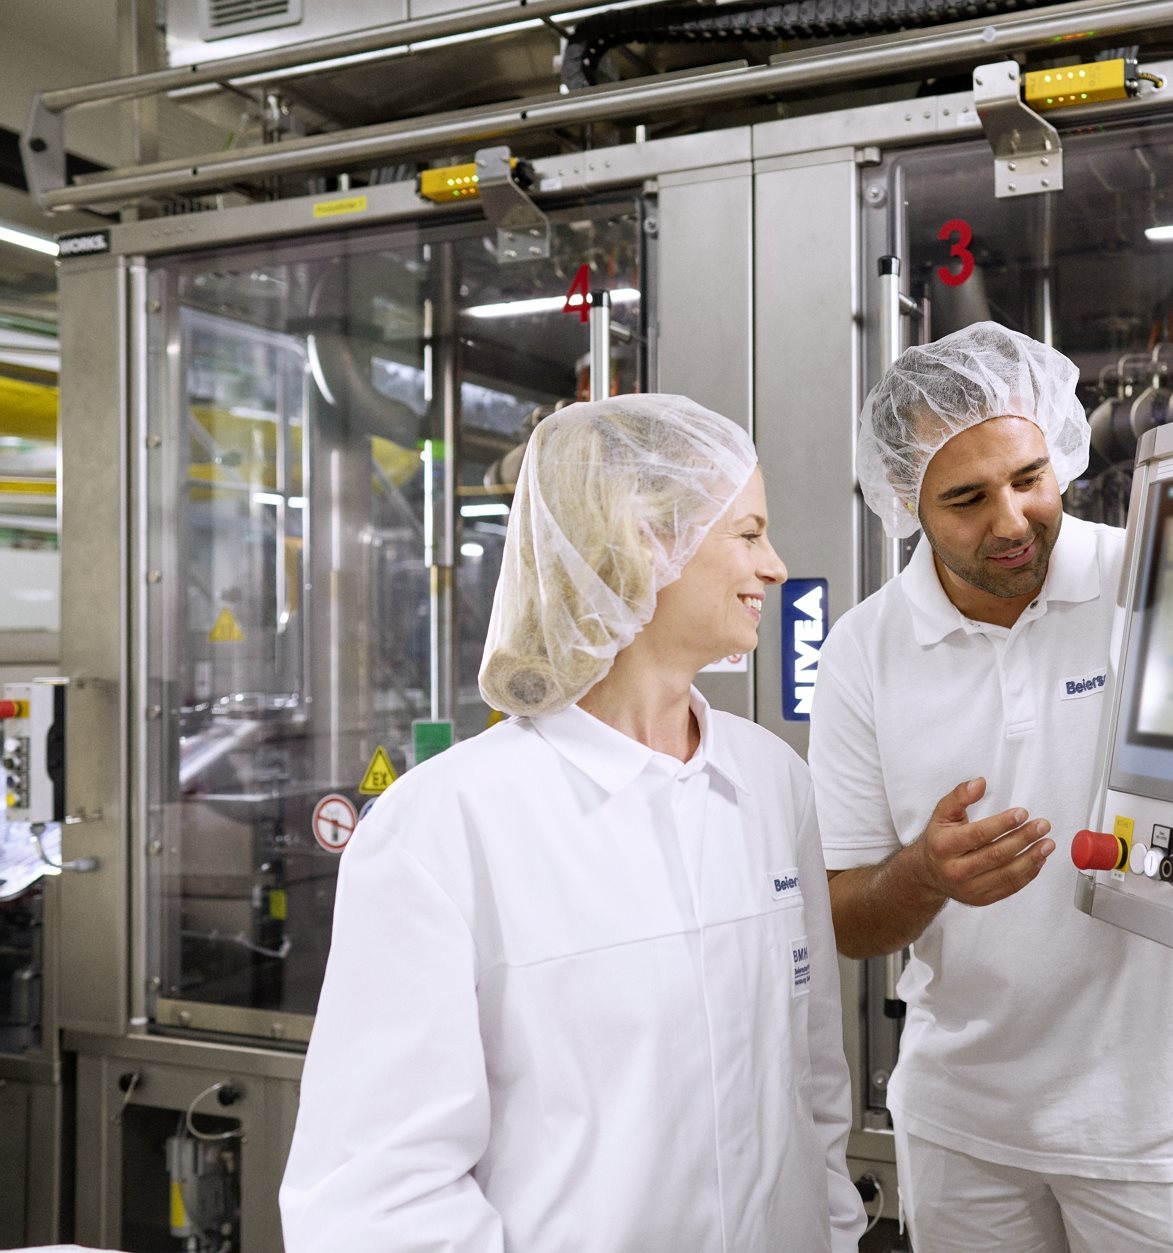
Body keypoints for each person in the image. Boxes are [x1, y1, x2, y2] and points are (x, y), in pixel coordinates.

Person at [280, 396, 865, 1252]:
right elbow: (377, 1197)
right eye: (747, 533)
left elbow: (812, 1087)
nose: (774, 566)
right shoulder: (444, 827)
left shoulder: (774, 783)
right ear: (645, 539)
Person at [811, 323, 1173, 1252]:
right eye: (968, 498)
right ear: (905, 499)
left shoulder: (1154, 576)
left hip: (1160, 1121)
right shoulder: (864, 651)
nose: (1013, 520)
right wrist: (924, 875)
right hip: (964, 1126)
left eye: (1029, 478)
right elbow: (845, 918)